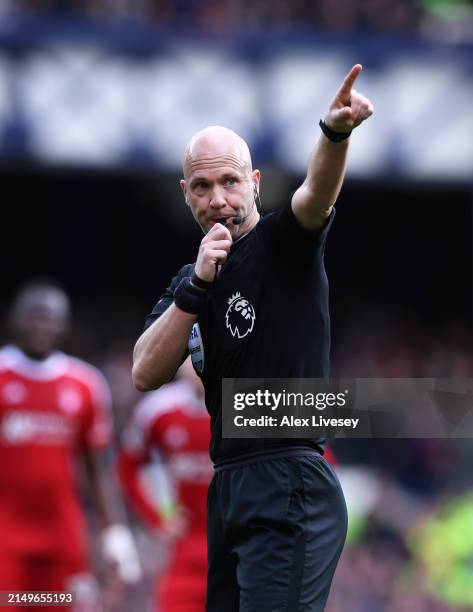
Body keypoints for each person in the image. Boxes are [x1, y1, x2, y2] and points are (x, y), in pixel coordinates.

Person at [132, 64, 374, 611]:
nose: (217, 198)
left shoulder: (281, 244)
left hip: (289, 478)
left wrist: (335, 134)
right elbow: (145, 372)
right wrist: (194, 288)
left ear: (256, 183)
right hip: (231, 486)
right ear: (185, 195)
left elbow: (315, 196)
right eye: (202, 186)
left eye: (230, 182)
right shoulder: (194, 277)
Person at [0, 281, 141, 611]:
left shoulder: (84, 384)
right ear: (14, 320)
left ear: (64, 325)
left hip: (62, 537)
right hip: (5, 537)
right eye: (33, 316)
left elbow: (97, 467)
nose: (41, 325)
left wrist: (115, 533)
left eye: (50, 318)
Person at [118, 357, 212, 611]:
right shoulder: (157, 409)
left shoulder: (258, 400)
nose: (197, 365)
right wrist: (156, 518)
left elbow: (321, 459)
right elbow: (126, 468)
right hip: (183, 550)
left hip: (244, 548)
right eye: (191, 357)